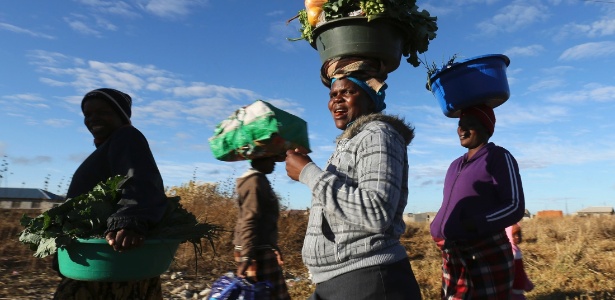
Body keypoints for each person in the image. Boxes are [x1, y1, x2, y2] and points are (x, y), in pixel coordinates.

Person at [285, 57, 422, 300]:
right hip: (339, 281)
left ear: (370, 96)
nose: (336, 99)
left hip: (368, 280)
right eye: (332, 94)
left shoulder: (378, 134)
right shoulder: (352, 141)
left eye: (347, 91)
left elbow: (376, 211)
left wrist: (308, 172)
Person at [53, 88, 169, 300]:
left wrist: (130, 220)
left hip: (113, 257)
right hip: (94, 258)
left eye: (102, 112)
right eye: (88, 115)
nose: (92, 118)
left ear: (121, 115)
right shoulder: (106, 149)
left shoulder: (127, 136)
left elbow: (139, 178)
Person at [430, 104, 526, 299]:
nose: (462, 130)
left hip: (484, 252)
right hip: (453, 254)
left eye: (470, 124)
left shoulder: (499, 156)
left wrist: (475, 224)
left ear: (486, 128)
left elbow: (514, 206)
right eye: (460, 124)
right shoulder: (454, 165)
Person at [234, 156, 290, 300]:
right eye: (270, 159)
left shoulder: (259, 180)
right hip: (255, 252)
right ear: (258, 160)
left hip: (257, 248)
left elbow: (263, 220)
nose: (274, 163)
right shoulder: (254, 181)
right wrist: (247, 256)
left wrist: (273, 246)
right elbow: (249, 219)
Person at [506, 223, 534, 300]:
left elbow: (520, 270)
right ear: (508, 235)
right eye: (514, 235)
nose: (517, 237)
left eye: (519, 234)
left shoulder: (515, 249)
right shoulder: (511, 251)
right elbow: (518, 271)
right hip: (514, 286)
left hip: (515, 286)